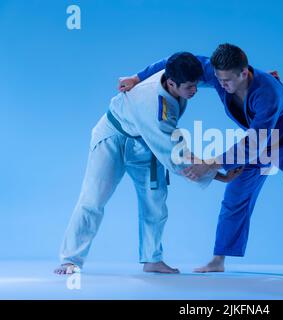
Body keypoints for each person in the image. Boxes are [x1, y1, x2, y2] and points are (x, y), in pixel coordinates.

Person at [119, 44, 283, 277]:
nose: (220, 85)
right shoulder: (218, 72)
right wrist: (137, 77)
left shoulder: (268, 93)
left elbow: (254, 143)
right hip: (256, 140)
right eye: (217, 79)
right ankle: (218, 259)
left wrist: (211, 163)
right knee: (235, 194)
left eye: (226, 81)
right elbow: (177, 62)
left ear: (244, 73)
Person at [55, 52, 241, 275]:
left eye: (196, 85)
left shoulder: (174, 71)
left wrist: (251, 76)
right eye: (189, 87)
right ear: (171, 82)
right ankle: (70, 259)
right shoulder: (154, 107)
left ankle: (152, 259)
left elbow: (193, 65)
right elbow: (177, 156)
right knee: (93, 198)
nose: (194, 91)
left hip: (146, 143)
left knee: (155, 201)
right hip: (113, 137)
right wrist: (220, 175)